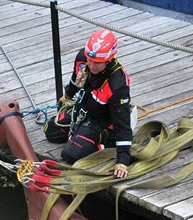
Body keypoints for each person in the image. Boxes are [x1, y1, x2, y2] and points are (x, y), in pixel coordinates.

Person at [44, 29, 132, 178]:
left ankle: (107, 143)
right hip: (83, 110)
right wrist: (67, 95)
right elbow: (75, 79)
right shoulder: (82, 58)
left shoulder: (118, 84)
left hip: (103, 121)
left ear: (109, 59)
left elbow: (122, 123)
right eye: (89, 60)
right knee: (51, 131)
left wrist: (123, 160)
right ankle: (81, 135)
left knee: (70, 154)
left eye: (97, 63)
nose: (91, 66)